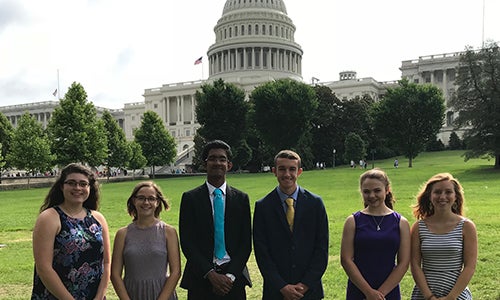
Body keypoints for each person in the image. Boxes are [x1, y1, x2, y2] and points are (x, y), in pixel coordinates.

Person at [179, 140, 252, 299]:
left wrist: (230, 276)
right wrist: (211, 274)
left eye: (222, 159)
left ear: (229, 165)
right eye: (212, 158)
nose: (217, 162)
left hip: (234, 280)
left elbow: (245, 243)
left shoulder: (241, 199)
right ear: (204, 164)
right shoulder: (190, 199)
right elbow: (187, 242)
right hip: (201, 278)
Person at [253, 150, 329, 299]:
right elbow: (262, 252)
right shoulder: (263, 206)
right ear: (274, 171)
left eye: (292, 169)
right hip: (276, 292)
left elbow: (321, 249)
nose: (287, 174)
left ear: (299, 171)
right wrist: (281, 286)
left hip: (309, 291)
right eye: (282, 169)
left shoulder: (315, 204)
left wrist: (305, 285)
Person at [31, 163, 111, 299]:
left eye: (83, 184)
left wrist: (99, 296)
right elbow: (44, 268)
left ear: (89, 188)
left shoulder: (98, 218)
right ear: (62, 186)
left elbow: (107, 262)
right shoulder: (49, 218)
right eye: (72, 183)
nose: (77, 188)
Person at [340, 168, 410, 300]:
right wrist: (368, 292)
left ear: (387, 189)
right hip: (359, 289)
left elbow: (403, 263)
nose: (372, 196)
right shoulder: (353, 221)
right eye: (366, 191)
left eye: (377, 190)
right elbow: (346, 260)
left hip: (389, 290)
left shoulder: (401, 222)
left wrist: (380, 294)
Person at [410, 173, 477, 300]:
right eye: (437, 192)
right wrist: (429, 296)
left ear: (455, 196)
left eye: (448, 192)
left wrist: (451, 297)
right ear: (429, 196)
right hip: (424, 294)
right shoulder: (419, 227)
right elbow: (415, 265)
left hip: (457, 294)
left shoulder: (466, 226)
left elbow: (470, 267)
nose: (442, 197)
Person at [111, 181, 181, 300]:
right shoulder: (122, 234)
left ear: (157, 202)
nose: (146, 202)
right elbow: (115, 274)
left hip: (162, 294)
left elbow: (176, 272)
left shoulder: (169, 232)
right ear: (134, 200)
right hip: (132, 294)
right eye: (141, 198)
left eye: (151, 198)